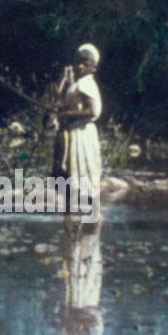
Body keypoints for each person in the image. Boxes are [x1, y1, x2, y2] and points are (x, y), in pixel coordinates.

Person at [51, 43, 103, 223]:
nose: (80, 66)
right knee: (66, 176)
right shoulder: (77, 83)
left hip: (82, 135)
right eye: (78, 62)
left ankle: (93, 221)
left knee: (83, 177)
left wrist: (67, 115)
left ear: (92, 65)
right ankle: (68, 224)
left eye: (85, 63)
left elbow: (92, 111)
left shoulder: (88, 84)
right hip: (70, 134)